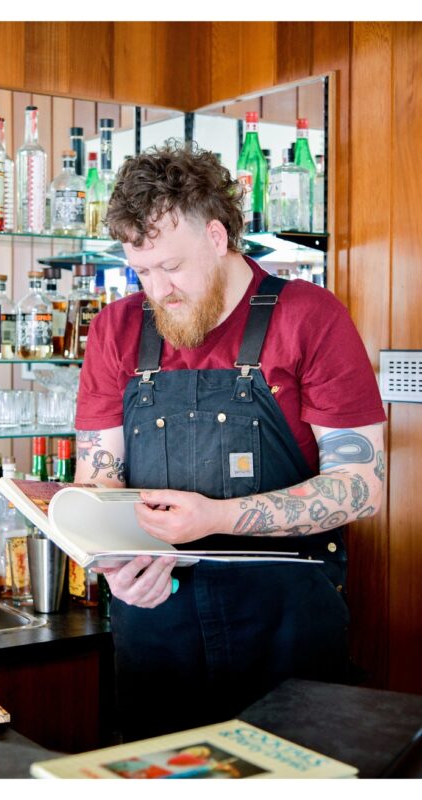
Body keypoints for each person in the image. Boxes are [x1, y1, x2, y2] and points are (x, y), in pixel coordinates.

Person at [74, 142, 386, 741]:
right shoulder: (115, 329)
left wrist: (217, 516)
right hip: (154, 620)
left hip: (288, 625)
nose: (157, 288)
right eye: (141, 269)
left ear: (218, 237)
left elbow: (360, 487)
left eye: (171, 266)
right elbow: (99, 478)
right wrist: (115, 565)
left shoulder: (310, 316)